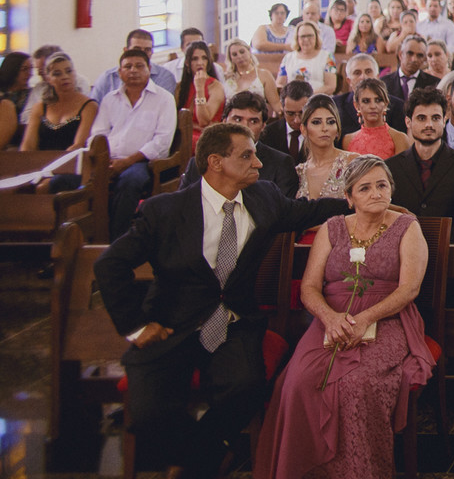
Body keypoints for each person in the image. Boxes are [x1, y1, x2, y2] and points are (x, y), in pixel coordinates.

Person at [94, 123, 348, 478]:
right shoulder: (164, 212)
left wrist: (358, 201)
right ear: (215, 162)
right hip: (172, 324)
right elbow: (110, 264)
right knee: (149, 411)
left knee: (245, 387)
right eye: (246, 155)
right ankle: (205, 459)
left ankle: (192, 465)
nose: (258, 163)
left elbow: (306, 212)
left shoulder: (266, 198)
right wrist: (136, 327)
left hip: (234, 323)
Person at [254, 155, 434, 479]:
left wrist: (365, 318)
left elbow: (409, 289)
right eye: (364, 188)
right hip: (331, 320)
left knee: (356, 383)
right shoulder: (332, 228)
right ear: (349, 198)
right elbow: (309, 287)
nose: (375, 193)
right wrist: (330, 318)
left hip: (388, 318)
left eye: (382, 185)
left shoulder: (408, 228)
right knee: (296, 383)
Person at [92, 48, 179, 239]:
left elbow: (162, 143)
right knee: (74, 182)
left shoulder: (164, 99)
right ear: (119, 72)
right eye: (128, 66)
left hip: (142, 163)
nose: (133, 70)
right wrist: (107, 161)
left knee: (129, 182)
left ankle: (117, 241)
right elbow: (98, 135)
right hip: (109, 160)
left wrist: (127, 161)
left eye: (139, 66)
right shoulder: (109, 99)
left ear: (149, 69)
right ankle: (90, 238)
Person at [385, 87, 454, 244]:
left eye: (435, 118)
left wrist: (437, 245)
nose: (429, 124)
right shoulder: (390, 167)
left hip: (451, 253)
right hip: (401, 253)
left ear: (444, 120)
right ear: (408, 122)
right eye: (421, 118)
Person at [180, 91, 300, 198]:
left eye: (253, 121)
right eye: (237, 119)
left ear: (263, 126)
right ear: (224, 121)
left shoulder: (281, 164)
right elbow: (182, 208)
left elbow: (281, 215)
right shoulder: (199, 163)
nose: (244, 127)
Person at [19, 51, 97, 152]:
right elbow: (28, 145)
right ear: (48, 79)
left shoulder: (89, 106)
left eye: (68, 71)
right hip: (40, 163)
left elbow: (79, 145)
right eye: (57, 74)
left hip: (72, 162)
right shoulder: (40, 108)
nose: (65, 77)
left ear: (75, 74)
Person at [295, 95, 355, 204]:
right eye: (316, 122)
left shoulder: (353, 162)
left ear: (337, 129)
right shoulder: (298, 173)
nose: (325, 128)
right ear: (303, 130)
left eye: (331, 122)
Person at [90, 29, 177, 101]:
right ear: (126, 50)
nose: (141, 54)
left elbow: (162, 107)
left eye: (147, 50)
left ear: (152, 52)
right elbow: (94, 108)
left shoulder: (164, 77)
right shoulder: (108, 77)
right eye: (137, 49)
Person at [342, 77, 412, 159]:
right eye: (366, 101)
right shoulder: (348, 140)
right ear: (356, 106)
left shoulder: (399, 139)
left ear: (386, 103)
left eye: (378, 100)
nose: (373, 106)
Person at [177, 41, 226, 148]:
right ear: (187, 63)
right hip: (185, 133)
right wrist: (191, 126)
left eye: (204, 58)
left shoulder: (215, 86)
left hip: (206, 137)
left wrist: (199, 88)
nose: (200, 63)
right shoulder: (181, 86)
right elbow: (177, 118)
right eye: (195, 59)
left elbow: (203, 121)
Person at [223, 38, 282, 117]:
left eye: (242, 52)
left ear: (249, 52)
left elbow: (276, 104)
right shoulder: (226, 78)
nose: (239, 56)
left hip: (256, 119)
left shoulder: (264, 75)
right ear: (231, 59)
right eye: (234, 54)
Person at [277, 21, 337, 96]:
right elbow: (280, 84)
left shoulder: (327, 57)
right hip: (293, 100)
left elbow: (330, 87)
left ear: (316, 37)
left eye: (310, 36)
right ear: (297, 38)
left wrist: (307, 96)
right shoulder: (288, 58)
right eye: (302, 36)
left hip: (318, 100)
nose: (306, 39)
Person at [261, 80, 312, 164]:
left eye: (302, 113)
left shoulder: (321, 133)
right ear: (282, 107)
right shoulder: (267, 134)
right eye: (290, 114)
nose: (297, 120)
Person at [382, 35, 438, 102]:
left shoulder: (434, 84)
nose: (414, 59)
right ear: (400, 55)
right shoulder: (384, 83)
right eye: (410, 53)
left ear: (424, 59)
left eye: (419, 55)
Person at [0, 51, 32, 148]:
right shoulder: (3, 97)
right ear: (12, 69)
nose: (29, 74)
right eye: (24, 69)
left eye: (31, 69)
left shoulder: (32, 94)